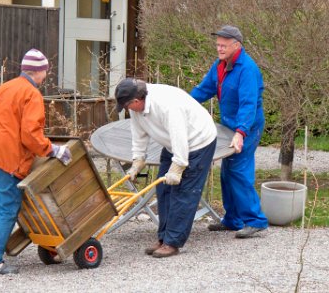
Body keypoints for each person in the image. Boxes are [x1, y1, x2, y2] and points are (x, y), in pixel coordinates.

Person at [0, 49, 72, 275]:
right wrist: (53, 150)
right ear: (39, 71)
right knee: (8, 208)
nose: (46, 75)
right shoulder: (31, 93)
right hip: (6, 154)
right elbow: (30, 134)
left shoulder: (5, 87)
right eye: (45, 71)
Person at [115, 78, 217, 258]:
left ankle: (172, 242)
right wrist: (138, 159)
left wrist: (178, 166)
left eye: (127, 106)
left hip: (197, 142)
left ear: (137, 101)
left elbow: (180, 135)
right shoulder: (137, 106)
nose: (127, 109)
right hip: (173, 145)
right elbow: (138, 132)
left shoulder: (167, 105)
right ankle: (163, 238)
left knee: (183, 192)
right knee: (163, 188)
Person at [190, 25, 268, 238]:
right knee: (227, 171)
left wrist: (240, 133)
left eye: (224, 45)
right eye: (217, 44)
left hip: (248, 126)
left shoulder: (248, 69)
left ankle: (255, 220)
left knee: (238, 170)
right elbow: (204, 90)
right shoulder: (220, 66)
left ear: (237, 45)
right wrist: (183, 103)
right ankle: (233, 220)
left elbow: (248, 104)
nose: (219, 48)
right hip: (229, 125)